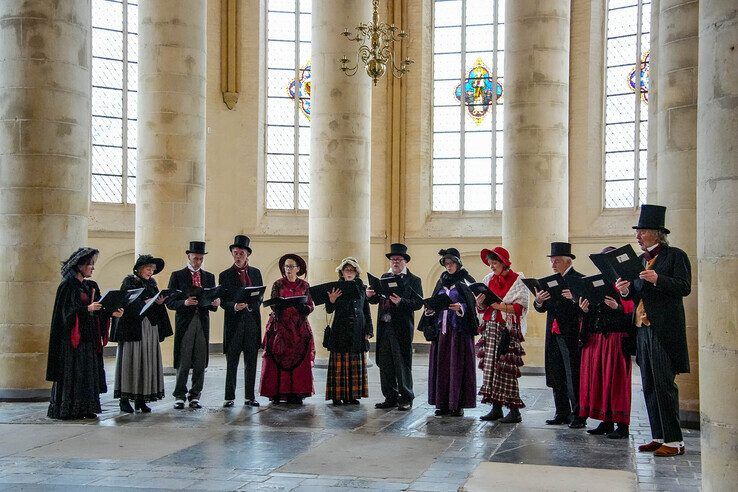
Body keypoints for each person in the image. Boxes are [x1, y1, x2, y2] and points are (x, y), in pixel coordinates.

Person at [615, 205, 691, 457]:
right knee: (648, 384)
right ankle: (658, 436)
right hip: (642, 330)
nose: (638, 236)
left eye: (643, 232)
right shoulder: (640, 261)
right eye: (637, 232)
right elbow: (637, 293)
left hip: (663, 329)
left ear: (658, 234)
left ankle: (675, 441)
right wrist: (625, 290)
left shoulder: (675, 256)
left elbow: (684, 286)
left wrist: (658, 279)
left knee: (664, 385)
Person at [46, 247, 123, 420]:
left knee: (88, 371)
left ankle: (86, 408)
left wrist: (111, 312)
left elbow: (99, 307)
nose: (93, 268)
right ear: (79, 266)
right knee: (73, 371)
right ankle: (68, 409)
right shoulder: (67, 285)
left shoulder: (90, 286)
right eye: (90, 264)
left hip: (89, 335)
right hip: (73, 339)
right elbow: (66, 313)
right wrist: (87, 308)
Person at [577, 247, 635, 439]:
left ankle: (622, 425)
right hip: (597, 337)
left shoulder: (628, 280)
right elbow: (593, 308)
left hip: (617, 338)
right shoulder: (596, 281)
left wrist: (618, 306)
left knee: (616, 381)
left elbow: (634, 309)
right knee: (600, 380)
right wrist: (585, 309)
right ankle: (606, 421)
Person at [533, 242, 587, 428]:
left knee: (573, 374)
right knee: (556, 372)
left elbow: (588, 307)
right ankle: (561, 412)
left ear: (568, 261)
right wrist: (539, 301)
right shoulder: (550, 281)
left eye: (556, 261)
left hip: (571, 334)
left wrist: (573, 298)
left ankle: (578, 414)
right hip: (554, 333)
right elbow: (541, 308)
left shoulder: (580, 280)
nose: (553, 264)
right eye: (552, 261)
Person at [111, 254, 172, 413]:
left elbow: (155, 301)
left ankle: (141, 399)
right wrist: (142, 302)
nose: (150, 272)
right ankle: (124, 400)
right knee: (132, 361)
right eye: (148, 268)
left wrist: (158, 302)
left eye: (152, 269)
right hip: (133, 327)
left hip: (149, 326)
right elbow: (125, 303)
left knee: (147, 360)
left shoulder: (152, 283)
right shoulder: (129, 282)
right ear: (139, 269)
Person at [367, 243, 424, 411]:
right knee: (385, 362)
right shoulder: (384, 276)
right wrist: (370, 296)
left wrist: (401, 302)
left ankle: (406, 397)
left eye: (398, 259)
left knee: (402, 363)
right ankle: (390, 397)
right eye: (393, 259)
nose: (395, 262)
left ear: (405, 261)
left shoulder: (414, 280)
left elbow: (418, 303)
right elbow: (377, 299)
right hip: (384, 326)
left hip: (401, 328)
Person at [476, 247, 529, 423]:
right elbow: (482, 308)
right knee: (490, 367)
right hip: (490, 327)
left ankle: (514, 411)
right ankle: (496, 407)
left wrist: (500, 307)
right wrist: (480, 303)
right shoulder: (488, 279)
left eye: (494, 262)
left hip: (507, 329)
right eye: (490, 263)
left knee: (506, 368)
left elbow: (520, 307)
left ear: (503, 262)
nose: (491, 266)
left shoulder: (518, 280)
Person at [423, 248, 477, 417]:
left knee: (457, 366)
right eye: (446, 263)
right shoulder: (441, 281)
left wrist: (461, 307)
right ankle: (441, 403)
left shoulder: (467, 281)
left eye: (451, 263)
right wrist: (430, 310)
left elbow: (473, 305)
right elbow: (436, 301)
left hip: (458, 331)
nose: (448, 266)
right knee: (442, 366)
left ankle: (457, 404)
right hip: (442, 332)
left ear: (458, 263)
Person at [166, 241, 219, 409]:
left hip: (202, 321)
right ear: (189, 256)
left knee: (200, 359)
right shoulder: (177, 275)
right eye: (195, 258)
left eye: (201, 259)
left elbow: (211, 302)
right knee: (184, 358)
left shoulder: (209, 277)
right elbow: (170, 301)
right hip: (186, 321)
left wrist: (215, 303)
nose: (198, 262)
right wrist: (185, 302)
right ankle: (179, 395)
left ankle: (195, 395)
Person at [260, 253, 315, 404]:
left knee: (300, 357)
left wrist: (303, 307)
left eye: (291, 266)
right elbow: (273, 303)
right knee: (278, 355)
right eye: (286, 266)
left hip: (298, 327)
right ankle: (278, 392)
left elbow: (310, 305)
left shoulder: (304, 285)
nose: (288, 269)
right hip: (281, 326)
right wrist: (280, 304)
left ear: (298, 269)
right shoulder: (278, 284)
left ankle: (297, 392)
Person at [219, 235, 263, 408]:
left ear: (247, 255)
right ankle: (229, 397)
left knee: (251, 362)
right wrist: (235, 306)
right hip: (234, 323)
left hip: (251, 322)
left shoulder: (255, 273)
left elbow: (260, 296)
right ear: (232, 254)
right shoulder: (225, 275)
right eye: (235, 253)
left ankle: (250, 397)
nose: (238, 256)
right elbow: (222, 300)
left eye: (241, 253)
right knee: (232, 363)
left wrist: (252, 305)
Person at [324, 257, 373, 405]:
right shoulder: (336, 287)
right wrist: (331, 300)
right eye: (346, 270)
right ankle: (337, 395)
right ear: (342, 272)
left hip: (358, 329)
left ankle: (352, 395)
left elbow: (366, 310)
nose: (349, 272)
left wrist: (369, 329)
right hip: (340, 330)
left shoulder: (361, 288)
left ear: (356, 272)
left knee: (354, 364)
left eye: (352, 270)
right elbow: (329, 309)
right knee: (340, 362)